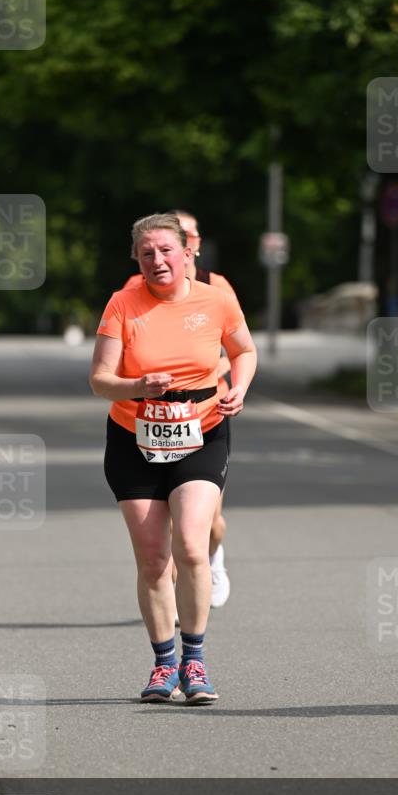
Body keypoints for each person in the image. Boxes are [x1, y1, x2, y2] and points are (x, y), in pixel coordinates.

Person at [90, 213, 257, 705]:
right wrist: (137, 386)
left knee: (189, 544)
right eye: (146, 253)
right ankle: (164, 664)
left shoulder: (216, 298)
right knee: (153, 559)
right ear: (136, 260)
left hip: (203, 432)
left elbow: (244, 351)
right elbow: (100, 378)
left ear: (189, 253)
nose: (156, 260)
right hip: (133, 438)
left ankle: (195, 660)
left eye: (165, 250)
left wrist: (241, 388)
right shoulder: (123, 304)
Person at [123, 210, 236, 608]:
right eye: (149, 250)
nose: (160, 257)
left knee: (210, 524)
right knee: (164, 532)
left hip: (208, 410)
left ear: (194, 245)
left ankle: (213, 558)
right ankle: (171, 598)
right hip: (154, 420)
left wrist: (223, 378)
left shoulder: (215, 287)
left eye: (186, 236)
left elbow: (234, 346)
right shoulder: (136, 288)